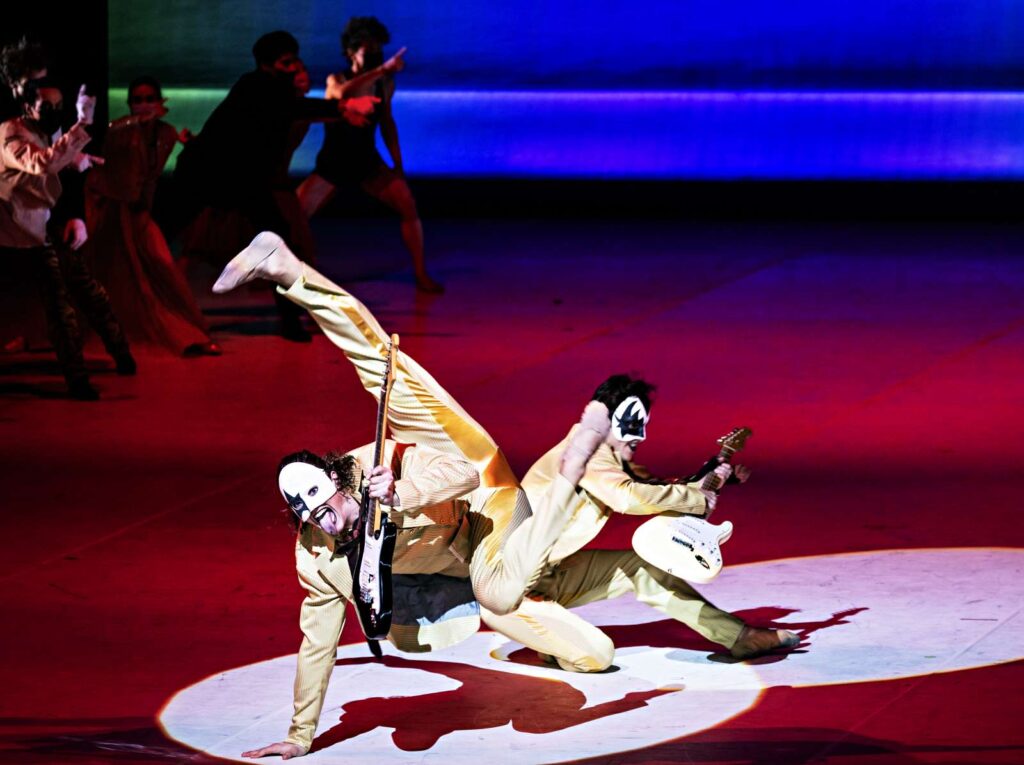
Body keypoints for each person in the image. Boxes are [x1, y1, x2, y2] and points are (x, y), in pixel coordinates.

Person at [211, 231, 610, 759]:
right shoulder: (317, 557)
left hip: (475, 484)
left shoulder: (380, 463)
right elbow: (318, 643)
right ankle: (547, 586)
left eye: (323, 505)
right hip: (467, 570)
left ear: (336, 482)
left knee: (385, 371)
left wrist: (400, 490)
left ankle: (288, 269)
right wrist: (300, 735)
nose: (322, 522)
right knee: (592, 654)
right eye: (308, 517)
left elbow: (466, 474)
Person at [482, 375, 800, 672]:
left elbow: (658, 488)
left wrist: (713, 479)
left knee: (641, 566)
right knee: (598, 656)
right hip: (509, 592)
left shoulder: (610, 459)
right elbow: (628, 497)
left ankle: (738, 636)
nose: (640, 437)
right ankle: (553, 639)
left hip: (549, 578)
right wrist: (698, 498)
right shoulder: (582, 451)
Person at [164, 30, 394, 341]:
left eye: (295, 60)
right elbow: (292, 107)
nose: (293, 67)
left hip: (245, 182)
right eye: (286, 62)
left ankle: (289, 320)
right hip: (205, 175)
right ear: (266, 65)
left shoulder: (279, 94)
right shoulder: (256, 85)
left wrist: (344, 112)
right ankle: (148, 300)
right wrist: (343, 109)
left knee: (278, 245)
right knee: (164, 234)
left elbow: (295, 108)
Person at [0, 74, 134, 400]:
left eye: (59, 106)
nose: (53, 112)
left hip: (44, 230)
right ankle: (78, 379)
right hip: (16, 233)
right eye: (47, 106)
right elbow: (42, 163)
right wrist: (82, 124)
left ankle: (120, 355)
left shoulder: (48, 131)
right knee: (61, 308)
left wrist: (77, 165)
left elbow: (61, 162)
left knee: (87, 295)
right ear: (27, 103)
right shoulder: (9, 134)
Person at [297, 16, 442, 293]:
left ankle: (421, 273)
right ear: (351, 52)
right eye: (368, 50)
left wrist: (397, 163)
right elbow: (340, 93)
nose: (375, 56)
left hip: (366, 161)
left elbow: (387, 122)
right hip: (334, 163)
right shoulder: (336, 78)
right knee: (294, 216)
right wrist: (383, 70)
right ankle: (279, 277)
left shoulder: (383, 84)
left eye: (378, 50)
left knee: (407, 204)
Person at [84, 76, 220, 356]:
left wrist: (190, 146)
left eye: (149, 99)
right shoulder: (119, 130)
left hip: (139, 212)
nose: (144, 105)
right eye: (137, 100)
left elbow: (156, 176)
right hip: (111, 211)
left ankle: (189, 330)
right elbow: (105, 155)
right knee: (113, 276)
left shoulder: (167, 133)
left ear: (161, 102)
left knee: (161, 267)